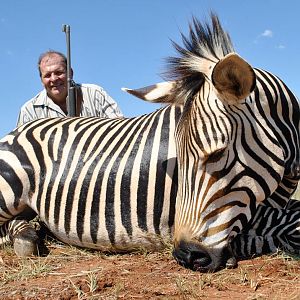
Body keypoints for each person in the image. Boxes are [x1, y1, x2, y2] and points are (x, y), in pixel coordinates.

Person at [17, 50, 123, 126]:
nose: (53, 79)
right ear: (41, 80)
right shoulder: (28, 111)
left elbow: (120, 128)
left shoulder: (95, 94)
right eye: (47, 75)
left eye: (59, 73)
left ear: (70, 73)